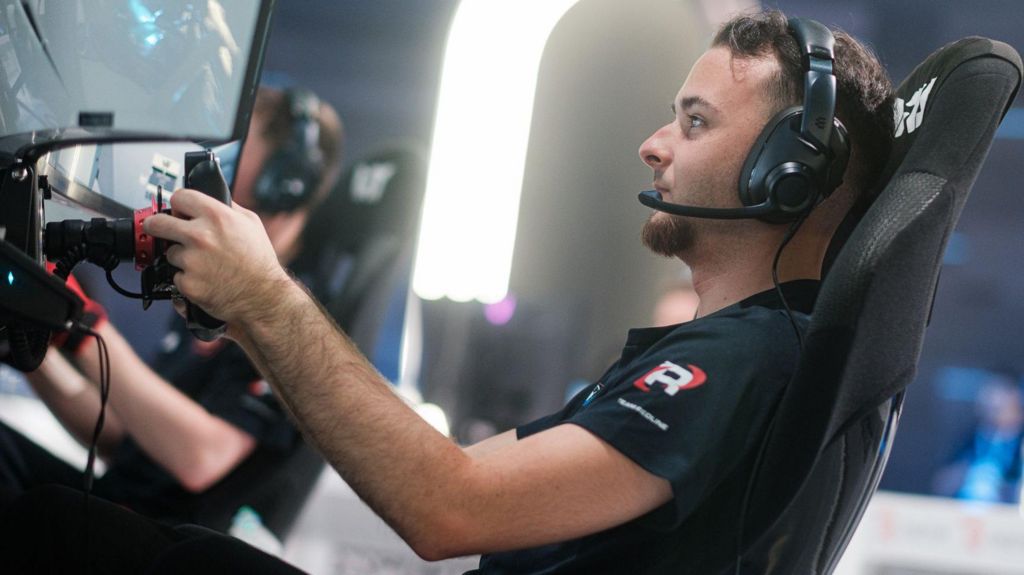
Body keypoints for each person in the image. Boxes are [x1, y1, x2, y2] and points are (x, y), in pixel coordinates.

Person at [1, 9, 895, 574]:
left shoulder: (744, 358)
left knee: (53, 531)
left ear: (791, 172)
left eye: (694, 121)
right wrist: (256, 316)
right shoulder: (729, 351)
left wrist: (268, 300)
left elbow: (448, 507)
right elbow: (442, 471)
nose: (653, 144)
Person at [0, 85, 344, 527]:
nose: (214, 168)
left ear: (284, 182)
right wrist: (33, 341)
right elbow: (123, 439)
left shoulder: (291, 316)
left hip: (168, 542)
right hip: (119, 503)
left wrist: (83, 322)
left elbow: (201, 457)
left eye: (235, 160)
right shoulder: (217, 279)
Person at [932, 370, 1024, 504]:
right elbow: (941, 484)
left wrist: (1005, 489)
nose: (990, 400)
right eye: (988, 392)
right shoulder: (971, 436)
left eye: (998, 392)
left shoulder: (1019, 442)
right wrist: (967, 474)